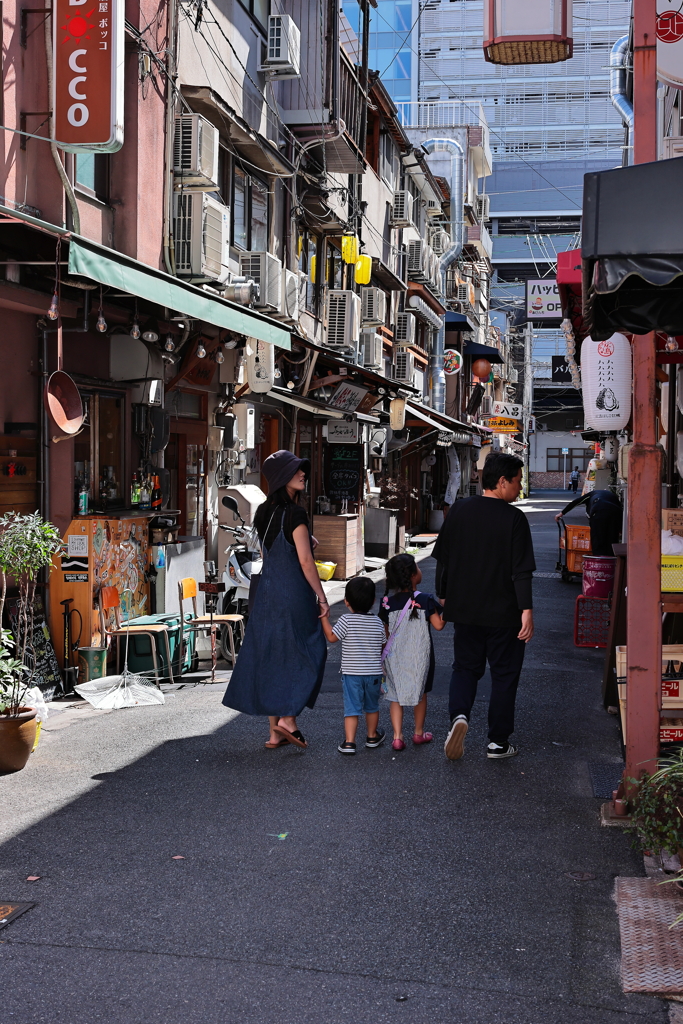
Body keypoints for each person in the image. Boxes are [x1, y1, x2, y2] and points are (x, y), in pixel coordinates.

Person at [433, 451, 535, 762]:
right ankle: (497, 743)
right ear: (501, 482)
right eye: (516, 482)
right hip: (504, 613)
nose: (518, 488)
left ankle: (460, 717)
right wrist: (526, 611)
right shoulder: (514, 519)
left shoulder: (460, 510)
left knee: (465, 668)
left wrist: (443, 595)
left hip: (464, 608)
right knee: (504, 675)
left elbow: (443, 560)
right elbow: (521, 572)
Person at [222, 450, 328, 749]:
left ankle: (273, 733)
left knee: (271, 656)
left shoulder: (263, 512)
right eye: (296, 471)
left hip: (266, 591)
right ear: (283, 477)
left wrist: (306, 542)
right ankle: (289, 719)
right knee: (310, 650)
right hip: (293, 591)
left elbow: (276, 550)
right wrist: (321, 596)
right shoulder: (295, 513)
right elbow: (305, 562)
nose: (303, 474)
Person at [379, 553, 446, 751]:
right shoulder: (425, 600)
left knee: (395, 694)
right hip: (420, 658)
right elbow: (439, 625)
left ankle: (397, 737)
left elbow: (385, 634)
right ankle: (418, 733)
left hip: (395, 657)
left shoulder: (387, 603)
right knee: (421, 692)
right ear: (413, 575)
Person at [321, 577, 387, 755]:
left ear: (346, 601)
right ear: (373, 601)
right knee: (372, 706)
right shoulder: (377, 622)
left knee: (352, 708)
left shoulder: (346, 620)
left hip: (352, 675)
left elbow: (332, 637)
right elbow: (383, 645)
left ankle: (350, 742)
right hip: (373, 674)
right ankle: (372, 736)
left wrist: (324, 620)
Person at [554, 488, 622, 557]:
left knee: (597, 538)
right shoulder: (612, 496)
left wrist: (562, 513)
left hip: (598, 510)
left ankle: (599, 561)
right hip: (615, 512)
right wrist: (620, 527)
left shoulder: (591, 494)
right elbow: (620, 510)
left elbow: (577, 502)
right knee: (612, 537)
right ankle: (612, 561)